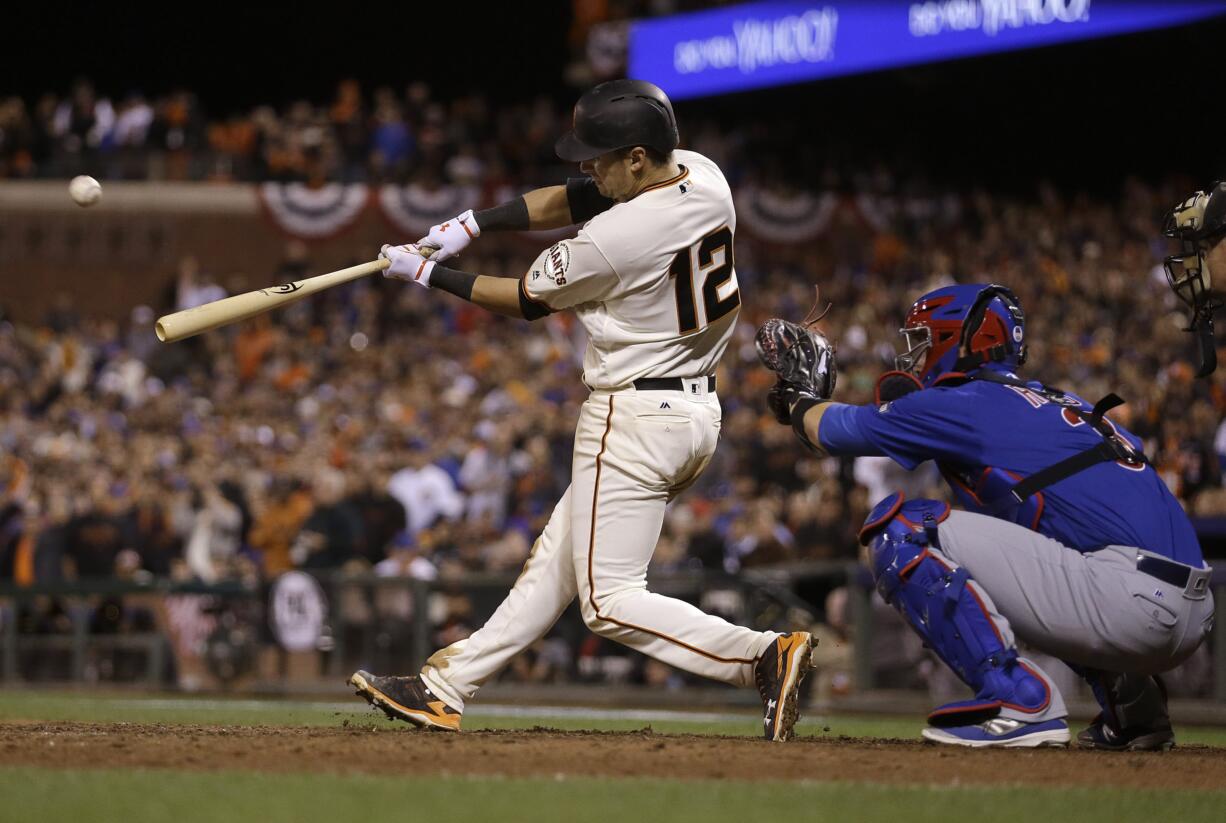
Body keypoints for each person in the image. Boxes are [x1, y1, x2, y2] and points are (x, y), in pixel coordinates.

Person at [349, 79, 812, 742]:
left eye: (601, 154)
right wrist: (474, 224)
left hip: (633, 416)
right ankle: (443, 687)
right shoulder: (704, 176)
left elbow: (525, 299)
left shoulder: (616, 237)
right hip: (694, 412)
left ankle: (761, 655)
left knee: (608, 601)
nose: (586, 165)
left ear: (636, 158)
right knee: (559, 557)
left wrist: (428, 275)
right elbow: (574, 197)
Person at [755, 283, 1215, 748]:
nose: (914, 357)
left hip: (1132, 601)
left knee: (902, 528)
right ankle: (1136, 714)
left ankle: (1017, 700)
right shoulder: (1058, 401)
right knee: (1049, 555)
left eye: (925, 340)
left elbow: (834, 430)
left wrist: (797, 398)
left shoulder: (965, 402)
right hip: (1187, 603)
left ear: (962, 340)